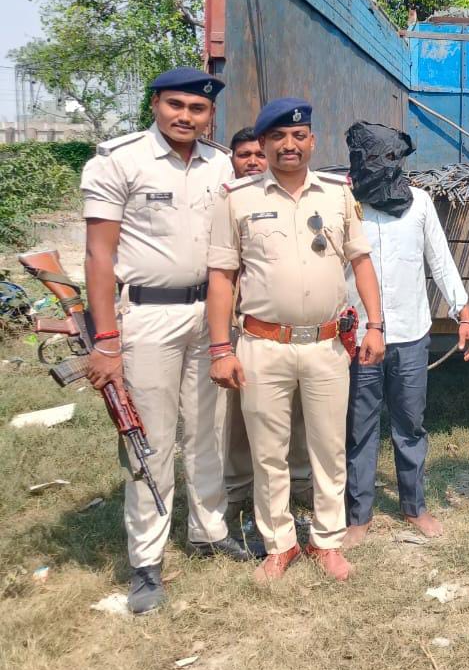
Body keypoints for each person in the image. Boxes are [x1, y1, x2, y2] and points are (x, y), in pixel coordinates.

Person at [80, 66, 250, 615]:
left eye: (197, 109)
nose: (185, 116)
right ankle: (146, 561)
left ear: (210, 116)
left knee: (209, 428)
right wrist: (106, 340)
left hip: (210, 312)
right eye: (176, 104)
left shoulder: (220, 164)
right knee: (149, 439)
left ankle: (208, 531)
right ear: (155, 104)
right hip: (147, 315)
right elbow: (98, 255)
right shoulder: (119, 160)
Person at [206, 98, 386, 583]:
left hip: (327, 346)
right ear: (263, 144)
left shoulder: (337, 193)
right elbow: (222, 276)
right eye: (278, 137)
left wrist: (375, 325)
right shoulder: (236, 198)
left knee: (329, 448)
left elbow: (361, 261)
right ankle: (279, 543)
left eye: (299, 136)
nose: (290, 145)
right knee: (268, 451)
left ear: (312, 141)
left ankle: (326, 540)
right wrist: (220, 349)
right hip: (262, 345)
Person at [342, 122, 469, 547]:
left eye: (391, 159)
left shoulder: (419, 203)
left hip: (411, 335)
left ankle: (414, 506)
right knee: (359, 427)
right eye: (374, 159)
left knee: (410, 424)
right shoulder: (345, 203)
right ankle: (358, 514)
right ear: (359, 162)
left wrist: (463, 314)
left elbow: (440, 260)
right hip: (360, 338)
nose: (384, 167)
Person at [216, 126, 312, 540]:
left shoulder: (288, 200)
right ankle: (238, 488)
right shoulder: (228, 202)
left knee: (297, 410)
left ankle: (299, 482)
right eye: (244, 155)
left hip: (279, 329)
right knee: (237, 415)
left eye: (259, 153)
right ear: (233, 161)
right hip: (236, 326)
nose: (253, 161)